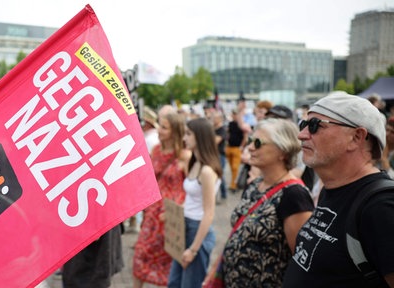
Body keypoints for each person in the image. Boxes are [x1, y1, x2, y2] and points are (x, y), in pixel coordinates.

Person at [283, 92, 394, 287]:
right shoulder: (333, 188)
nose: (302, 134)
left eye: (315, 125)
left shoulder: (380, 205)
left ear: (356, 137)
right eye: (303, 125)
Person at [205, 118, 314, 287]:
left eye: (257, 142)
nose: (250, 147)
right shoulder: (256, 184)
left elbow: (301, 260)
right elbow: (238, 231)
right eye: (250, 141)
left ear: (282, 151)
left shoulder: (294, 195)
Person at [132, 111, 191, 288]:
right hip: (153, 211)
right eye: (160, 125)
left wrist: (181, 209)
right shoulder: (156, 150)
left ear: (174, 131)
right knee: (141, 253)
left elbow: (191, 188)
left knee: (166, 260)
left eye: (164, 127)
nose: (159, 130)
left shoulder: (184, 155)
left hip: (172, 212)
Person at [168, 117, 222, 287]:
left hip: (197, 230)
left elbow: (209, 213)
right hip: (186, 225)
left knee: (189, 284)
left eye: (188, 134)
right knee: (174, 283)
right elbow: (192, 199)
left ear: (200, 136)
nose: (184, 138)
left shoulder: (206, 170)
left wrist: (193, 249)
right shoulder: (195, 162)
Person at [225, 108, 251, 192]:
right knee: (232, 168)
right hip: (230, 147)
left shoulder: (243, 125)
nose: (234, 116)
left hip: (237, 148)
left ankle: (234, 185)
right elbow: (228, 133)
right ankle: (233, 183)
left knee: (235, 167)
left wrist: (241, 147)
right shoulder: (231, 124)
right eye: (233, 114)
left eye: (236, 114)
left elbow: (245, 137)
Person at [209, 109, 228, 200]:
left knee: (220, 175)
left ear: (219, 119)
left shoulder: (222, 129)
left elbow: (215, 141)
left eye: (214, 118)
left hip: (220, 155)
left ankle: (224, 193)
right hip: (213, 155)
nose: (212, 119)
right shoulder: (213, 129)